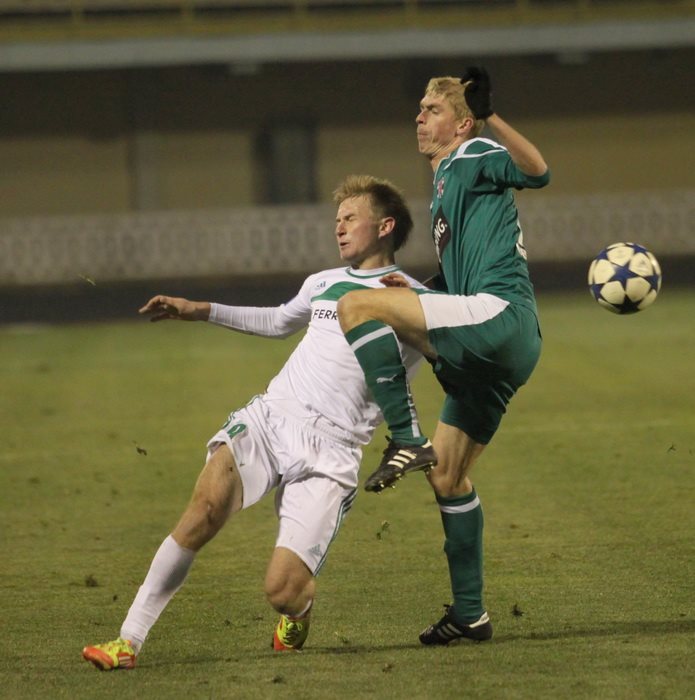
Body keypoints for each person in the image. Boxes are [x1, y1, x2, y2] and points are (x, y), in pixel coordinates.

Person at [82, 175, 424, 670]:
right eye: (337, 220)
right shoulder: (323, 282)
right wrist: (198, 310)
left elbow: (461, 352)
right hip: (271, 418)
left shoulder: (416, 300)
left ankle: (298, 611)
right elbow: (279, 321)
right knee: (203, 510)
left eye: (350, 218)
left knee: (282, 590)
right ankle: (128, 641)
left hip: (332, 451)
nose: (339, 228)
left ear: (385, 226)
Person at [336, 67, 550, 645]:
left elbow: (537, 171)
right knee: (449, 476)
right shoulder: (449, 180)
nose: (419, 116)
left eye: (432, 109)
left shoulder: (474, 151)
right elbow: (464, 271)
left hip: (497, 315)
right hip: (507, 336)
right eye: (420, 108)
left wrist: (490, 116)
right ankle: (470, 614)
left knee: (357, 306)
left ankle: (405, 438)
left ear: (460, 123)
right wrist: (426, 289)